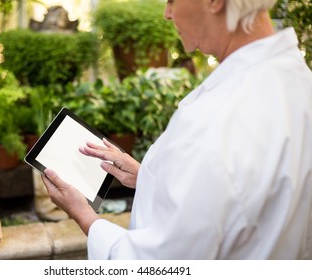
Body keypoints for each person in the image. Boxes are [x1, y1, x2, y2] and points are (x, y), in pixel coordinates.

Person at [41, 0, 312, 259]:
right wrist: (146, 178)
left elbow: (163, 264)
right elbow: (241, 201)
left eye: (171, 0)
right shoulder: (299, 83)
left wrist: (84, 215)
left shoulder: (215, 119)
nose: (166, 14)